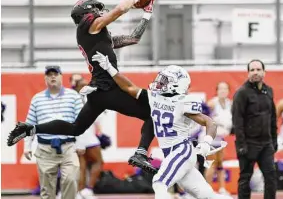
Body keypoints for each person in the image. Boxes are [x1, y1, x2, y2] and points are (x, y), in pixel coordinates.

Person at [7, 0, 157, 174]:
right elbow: (117, 11)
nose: (100, 12)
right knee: (153, 115)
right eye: (97, 10)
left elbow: (134, 38)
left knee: (76, 128)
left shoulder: (98, 34)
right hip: (108, 88)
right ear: (88, 12)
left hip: (98, 91)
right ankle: (141, 153)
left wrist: (147, 13)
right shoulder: (89, 26)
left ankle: (29, 129)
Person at [91, 52, 232, 199]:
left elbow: (210, 122)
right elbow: (129, 87)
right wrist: (110, 68)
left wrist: (207, 142)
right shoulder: (154, 97)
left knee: (159, 182)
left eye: (166, 80)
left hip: (181, 150)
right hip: (172, 153)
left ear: (177, 84)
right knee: (206, 194)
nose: (160, 82)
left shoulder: (182, 102)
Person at [23, 66, 81, 199]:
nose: (52, 77)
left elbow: (82, 122)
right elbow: (29, 125)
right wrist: (27, 146)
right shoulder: (37, 99)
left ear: (61, 76)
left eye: (56, 74)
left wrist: (81, 143)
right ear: (45, 78)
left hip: (68, 147)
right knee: (47, 190)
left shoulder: (73, 96)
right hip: (45, 149)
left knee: (71, 180)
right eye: (49, 75)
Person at [232, 59, 277, 199]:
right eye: (252, 70)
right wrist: (241, 145)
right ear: (248, 73)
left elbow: (273, 118)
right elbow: (237, 122)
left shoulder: (268, 91)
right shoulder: (241, 93)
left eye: (258, 69)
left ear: (264, 72)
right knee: (245, 179)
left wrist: (274, 141)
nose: (255, 72)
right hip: (248, 144)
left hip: (266, 144)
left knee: (271, 178)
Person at [70, 74, 105, 199]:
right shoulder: (82, 98)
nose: (83, 83)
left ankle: (80, 191)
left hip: (78, 136)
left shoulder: (74, 98)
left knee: (82, 165)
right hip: (86, 136)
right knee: (97, 162)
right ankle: (87, 190)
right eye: (80, 82)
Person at [205, 81, 232, 195]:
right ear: (216, 91)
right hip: (211, 136)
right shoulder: (211, 103)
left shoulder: (230, 103)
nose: (223, 91)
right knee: (212, 163)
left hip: (222, 137)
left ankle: (222, 188)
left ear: (229, 91)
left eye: (225, 89)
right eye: (220, 89)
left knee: (220, 163)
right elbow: (202, 118)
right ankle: (207, 190)